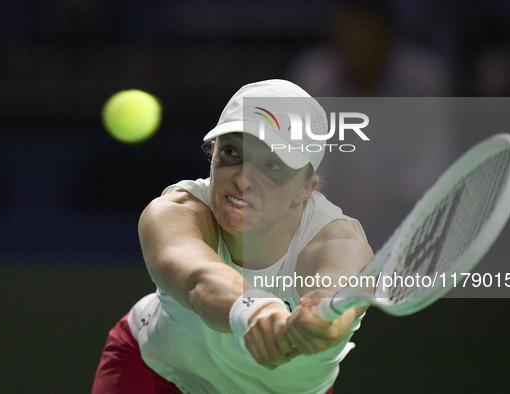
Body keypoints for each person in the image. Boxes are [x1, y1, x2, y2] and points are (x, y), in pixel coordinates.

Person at [92, 80, 373, 394]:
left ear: (307, 187)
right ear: (212, 152)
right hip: (161, 373)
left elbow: (336, 301)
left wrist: (319, 323)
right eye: (230, 152)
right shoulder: (175, 212)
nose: (242, 180)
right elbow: (198, 278)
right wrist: (257, 311)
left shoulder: (339, 242)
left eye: (271, 165)